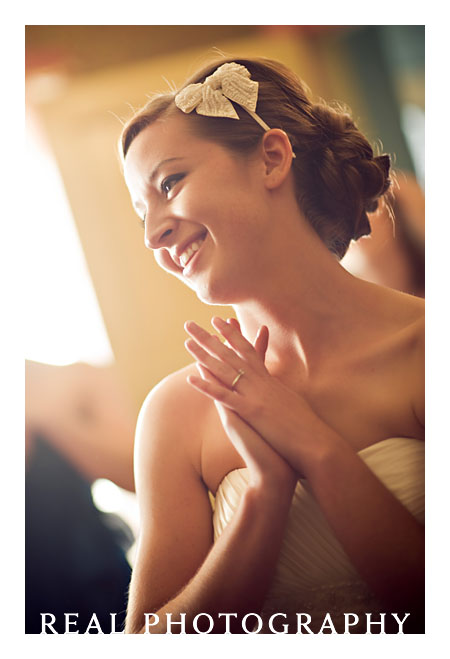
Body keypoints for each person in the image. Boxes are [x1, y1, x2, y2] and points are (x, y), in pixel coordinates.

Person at [119, 58, 424, 634]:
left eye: (169, 183)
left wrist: (313, 446)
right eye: (142, 213)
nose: (152, 234)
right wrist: (264, 493)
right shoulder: (175, 414)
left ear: (272, 158)